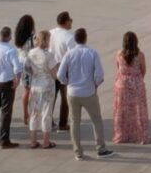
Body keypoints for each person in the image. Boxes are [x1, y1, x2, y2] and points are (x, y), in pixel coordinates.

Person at [56, 28, 111, 160]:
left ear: (75, 39)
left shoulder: (69, 54)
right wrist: (95, 84)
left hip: (73, 93)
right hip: (88, 92)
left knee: (75, 122)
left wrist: (67, 82)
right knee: (96, 120)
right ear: (85, 38)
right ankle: (100, 148)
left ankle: (78, 152)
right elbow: (100, 74)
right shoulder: (92, 53)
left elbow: (60, 75)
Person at [111, 30, 150, 145]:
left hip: (122, 84)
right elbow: (143, 70)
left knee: (122, 110)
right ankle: (140, 135)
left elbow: (118, 69)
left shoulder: (119, 54)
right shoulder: (140, 55)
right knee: (138, 110)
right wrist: (137, 79)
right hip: (136, 84)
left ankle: (122, 134)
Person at [23, 29, 58, 149]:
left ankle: (33, 141)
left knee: (33, 113)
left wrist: (34, 73)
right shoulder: (49, 55)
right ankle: (46, 142)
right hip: (47, 86)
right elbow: (54, 73)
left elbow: (26, 67)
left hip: (35, 85)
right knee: (46, 114)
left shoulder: (31, 52)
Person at [49, 11, 76, 133]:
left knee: (51, 96)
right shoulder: (69, 36)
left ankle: (48, 121)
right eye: (70, 19)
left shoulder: (51, 32)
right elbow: (73, 56)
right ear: (66, 22)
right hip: (63, 68)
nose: (71, 21)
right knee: (65, 97)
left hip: (50, 67)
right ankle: (63, 123)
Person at [13, 13, 37, 120]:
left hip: (21, 62)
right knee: (32, 91)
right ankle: (31, 114)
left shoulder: (19, 36)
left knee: (26, 90)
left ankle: (25, 113)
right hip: (30, 64)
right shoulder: (32, 37)